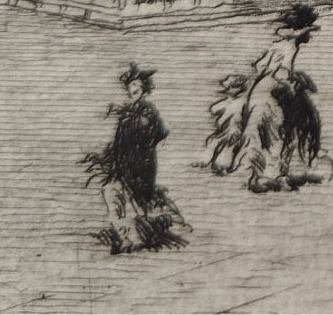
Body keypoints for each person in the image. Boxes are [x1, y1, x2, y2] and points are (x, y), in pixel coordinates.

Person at [83, 64, 188, 253]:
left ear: (144, 87)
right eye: (130, 85)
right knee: (115, 195)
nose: (133, 89)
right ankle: (128, 236)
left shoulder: (146, 112)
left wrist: (137, 149)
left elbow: (159, 133)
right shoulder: (130, 113)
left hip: (139, 167)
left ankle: (133, 237)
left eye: (136, 85)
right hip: (124, 166)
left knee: (128, 199)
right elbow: (121, 142)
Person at [231, 5, 327, 192]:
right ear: (302, 30)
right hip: (271, 95)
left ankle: (261, 175)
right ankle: (272, 176)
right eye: (310, 31)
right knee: (276, 136)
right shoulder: (289, 46)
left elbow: (260, 66)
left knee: (262, 135)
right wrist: (292, 85)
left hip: (259, 91)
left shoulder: (278, 44)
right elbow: (280, 74)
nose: (311, 36)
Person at [202, 73, 248, 175]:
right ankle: (211, 162)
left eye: (229, 87)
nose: (226, 90)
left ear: (236, 89)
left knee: (226, 146)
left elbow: (213, 109)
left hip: (234, 130)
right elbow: (213, 109)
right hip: (225, 130)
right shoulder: (232, 101)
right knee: (214, 142)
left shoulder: (239, 102)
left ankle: (222, 165)